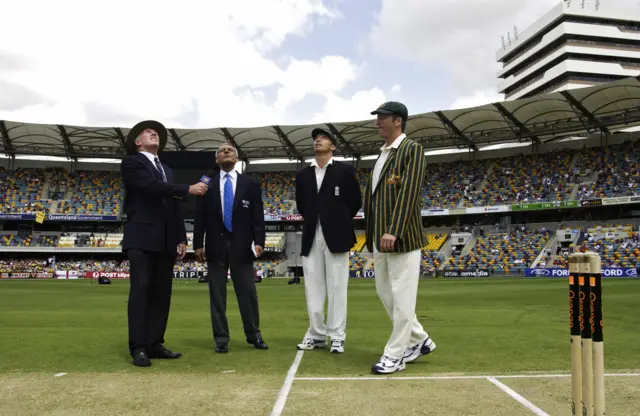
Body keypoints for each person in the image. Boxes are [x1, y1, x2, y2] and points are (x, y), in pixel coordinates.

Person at [120, 120, 209, 367]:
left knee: (162, 294)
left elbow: (173, 206)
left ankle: (154, 343)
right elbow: (151, 187)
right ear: (138, 142)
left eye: (157, 133)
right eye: (148, 132)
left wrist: (181, 236)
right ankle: (138, 346)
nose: (154, 134)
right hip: (141, 236)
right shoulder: (131, 163)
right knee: (141, 291)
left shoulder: (167, 170)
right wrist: (187, 188)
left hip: (166, 239)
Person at [363, 102, 436, 375]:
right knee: (385, 293)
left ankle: (395, 355)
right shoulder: (382, 153)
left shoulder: (411, 149)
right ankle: (420, 339)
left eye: (382, 118)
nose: (377, 122)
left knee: (402, 297)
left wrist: (394, 229)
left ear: (398, 121)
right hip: (379, 238)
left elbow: (409, 193)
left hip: (401, 237)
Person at [193, 143, 268, 354]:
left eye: (230, 150)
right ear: (217, 160)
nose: (226, 152)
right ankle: (221, 339)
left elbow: (258, 217)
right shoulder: (206, 184)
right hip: (215, 244)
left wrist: (259, 241)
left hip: (242, 244)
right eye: (221, 151)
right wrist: (198, 243)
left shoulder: (250, 184)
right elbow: (200, 217)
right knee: (217, 294)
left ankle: (254, 335)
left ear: (237, 159)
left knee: (248, 292)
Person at [294, 128, 362, 354]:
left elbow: (354, 202)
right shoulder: (303, 174)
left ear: (333, 146)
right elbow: (302, 205)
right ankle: (316, 334)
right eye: (315, 139)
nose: (317, 141)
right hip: (311, 234)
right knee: (312, 288)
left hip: (338, 235)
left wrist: (336, 220)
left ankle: (337, 336)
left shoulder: (344, 170)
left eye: (323, 138)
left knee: (337, 287)